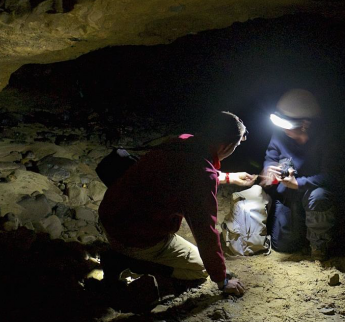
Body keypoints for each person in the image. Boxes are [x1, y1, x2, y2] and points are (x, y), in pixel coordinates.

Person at [99, 111, 256, 296]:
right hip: (136, 237)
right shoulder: (200, 176)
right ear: (227, 145)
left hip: (109, 216)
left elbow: (193, 170)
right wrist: (222, 280)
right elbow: (205, 232)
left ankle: (124, 253)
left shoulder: (183, 141)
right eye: (236, 145)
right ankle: (129, 261)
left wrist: (229, 177)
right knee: (200, 269)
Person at [262, 89, 335, 261]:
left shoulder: (325, 140)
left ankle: (319, 246)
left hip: (312, 193)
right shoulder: (280, 135)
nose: (284, 129)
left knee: (320, 197)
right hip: (288, 194)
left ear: (304, 124)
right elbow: (270, 157)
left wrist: (298, 183)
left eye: (287, 125)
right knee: (284, 246)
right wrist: (269, 169)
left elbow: (331, 176)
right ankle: (300, 234)